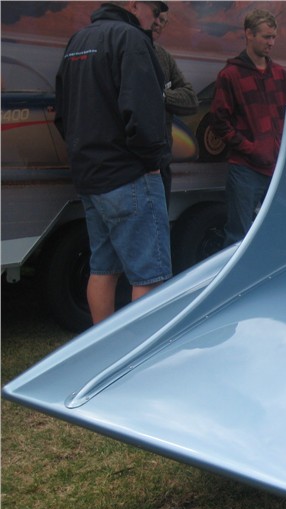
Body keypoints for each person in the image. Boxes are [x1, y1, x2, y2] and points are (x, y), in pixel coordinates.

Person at [55, 0, 172, 325]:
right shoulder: (132, 39)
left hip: (91, 177)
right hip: (129, 176)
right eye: (156, 8)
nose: (159, 16)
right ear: (135, 4)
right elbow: (144, 111)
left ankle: (102, 354)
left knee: (103, 269)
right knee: (149, 275)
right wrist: (152, 161)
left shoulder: (78, 41)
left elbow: (62, 113)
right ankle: (141, 364)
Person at [211, 9, 286, 246]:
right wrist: (249, 147)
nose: (271, 42)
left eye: (273, 37)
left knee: (275, 231)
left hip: (276, 169)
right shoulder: (230, 75)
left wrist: (282, 151)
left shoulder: (281, 76)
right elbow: (219, 121)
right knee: (238, 236)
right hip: (245, 169)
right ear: (249, 34)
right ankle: (235, 283)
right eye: (266, 37)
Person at [151, 5, 198, 205]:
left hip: (161, 162)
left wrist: (161, 96)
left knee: (159, 229)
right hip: (131, 166)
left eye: (163, 21)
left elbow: (191, 100)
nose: (158, 24)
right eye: (156, 17)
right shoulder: (126, 49)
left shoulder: (163, 56)